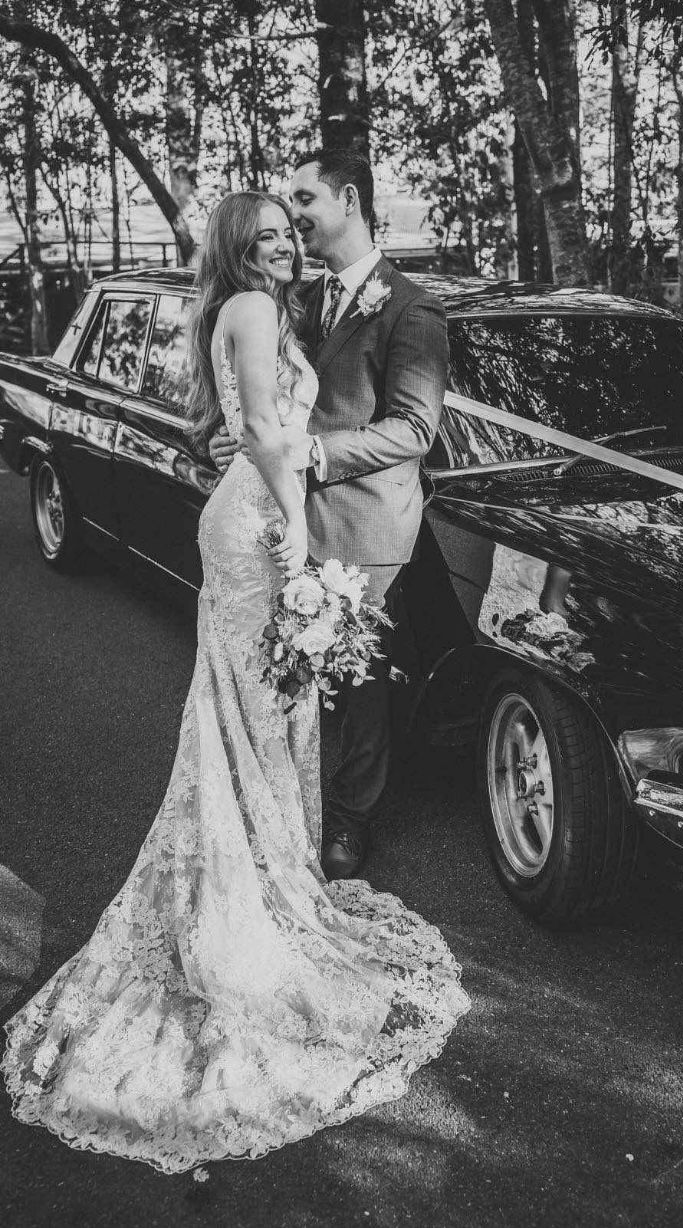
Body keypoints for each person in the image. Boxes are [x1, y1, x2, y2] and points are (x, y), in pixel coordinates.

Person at [1, 190, 469, 1175]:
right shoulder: (255, 311)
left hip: (260, 515)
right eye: (263, 238)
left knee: (258, 721)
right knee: (256, 719)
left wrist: (266, 462)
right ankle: (246, 913)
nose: (283, 247)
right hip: (267, 530)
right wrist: (298, 549)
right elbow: (266, 430)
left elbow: (257, 422)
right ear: (233, 248)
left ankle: (265, 882)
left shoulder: (268, 308)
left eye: (290, 234)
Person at [209, 150, 449, 881]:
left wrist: (307, 450)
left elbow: (414, 428)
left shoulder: (411, 305)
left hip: (365, 522)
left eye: (305, 199)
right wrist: (239, 435)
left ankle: (348, 823)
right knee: (294, 670)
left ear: (349, 200)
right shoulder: (296, 296)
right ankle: (294, 806)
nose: (295, 217)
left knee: (356, 678)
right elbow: (265, 390)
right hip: (286, 516)